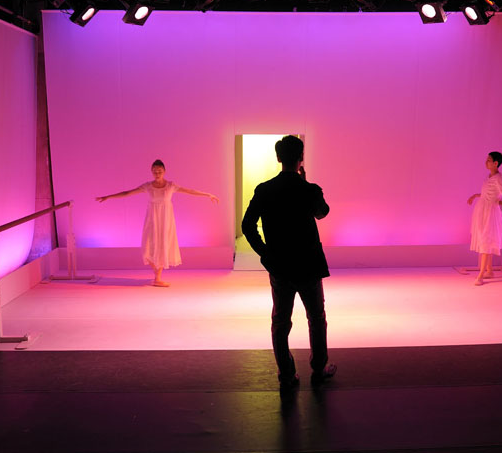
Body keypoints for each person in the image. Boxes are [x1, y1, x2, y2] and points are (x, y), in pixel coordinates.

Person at [241, 135, 337, 389]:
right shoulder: (309, 190)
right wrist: (306, 184)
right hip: (308, 265)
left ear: (278, 158)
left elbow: (247, 225)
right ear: (301, 158)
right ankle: (319, 367)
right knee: (316, 317)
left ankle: (286, 373)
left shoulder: (264, 190)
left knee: (281, 321)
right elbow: (322, 212)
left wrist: (264, 253)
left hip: (280, 265)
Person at [96, 159, 219, 287]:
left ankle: (157, 278)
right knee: (150, 245)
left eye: (159, 171)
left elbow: (190, 191)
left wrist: (207, 194)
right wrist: (108, 197)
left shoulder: (171, 186)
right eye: (154, 171)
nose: (157, 174)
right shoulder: (148, 186)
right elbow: (128, 193)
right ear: (151, 172)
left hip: (166, 219)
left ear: (164, 171)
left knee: (163, 244)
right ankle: (157, 277)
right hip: (152, 219)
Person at [467, 151, 502, 286]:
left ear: (495, 163)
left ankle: (481, 275)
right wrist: (475, 196)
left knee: (486, 239)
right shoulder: (489, 177)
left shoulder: (499, 178)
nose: (486, 162)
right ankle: (489, 270)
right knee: (484, 238)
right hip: (482, 210)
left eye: (489, 160)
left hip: (490, 212)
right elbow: (487, 193)